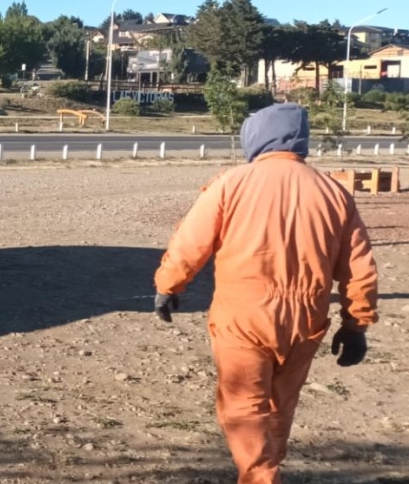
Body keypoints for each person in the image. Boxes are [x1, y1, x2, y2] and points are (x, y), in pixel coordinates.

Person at [152, 103, 378, 484]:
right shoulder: (334, 194)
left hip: (243, 314)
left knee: (243, 405)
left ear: (254, 137)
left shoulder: (231, 183)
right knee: (280, 405)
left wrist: (168, 285)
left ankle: (260, 476)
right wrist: (356, 325)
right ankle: (268, 467)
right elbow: (359, 266)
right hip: (307, 316)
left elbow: (190, 242)